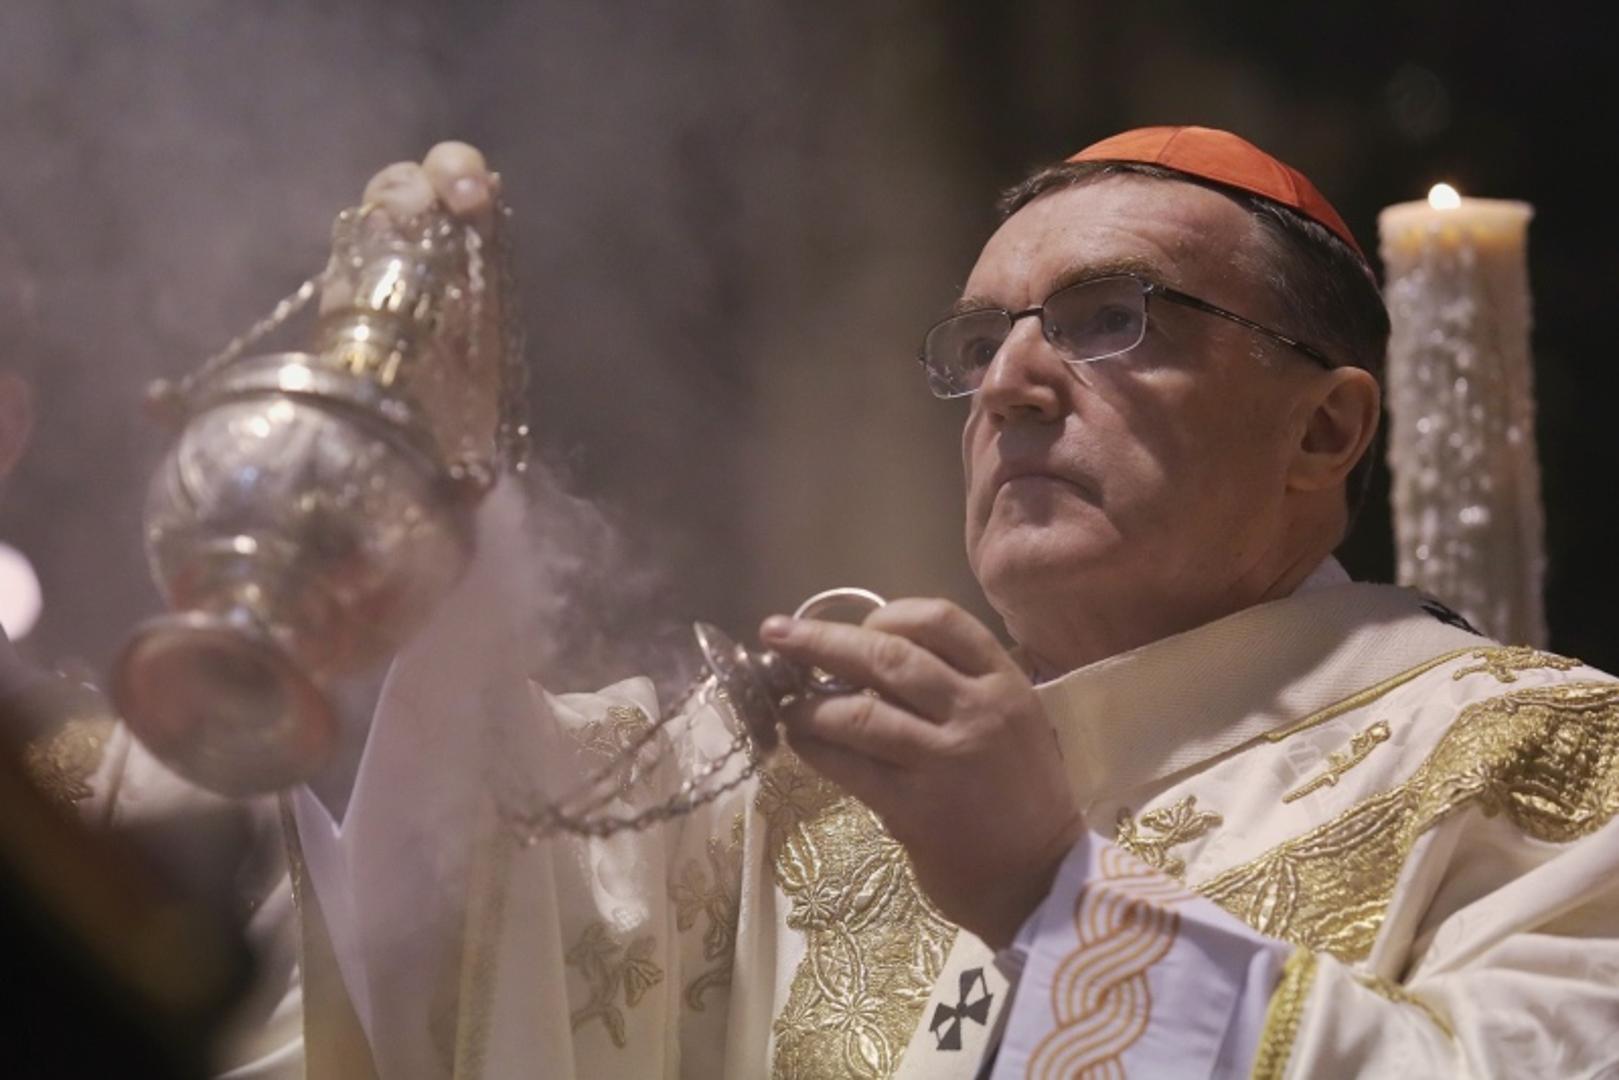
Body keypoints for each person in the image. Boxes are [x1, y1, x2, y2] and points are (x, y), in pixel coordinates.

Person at [90, 128, 1619, 1077]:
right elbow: (475, 932)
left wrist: (1054, 894)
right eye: (982, 342)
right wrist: (424, 533)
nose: (1013, 383)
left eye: (1111, 318)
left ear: (1326, 430)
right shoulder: (803, 790)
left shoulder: (1541, 761)